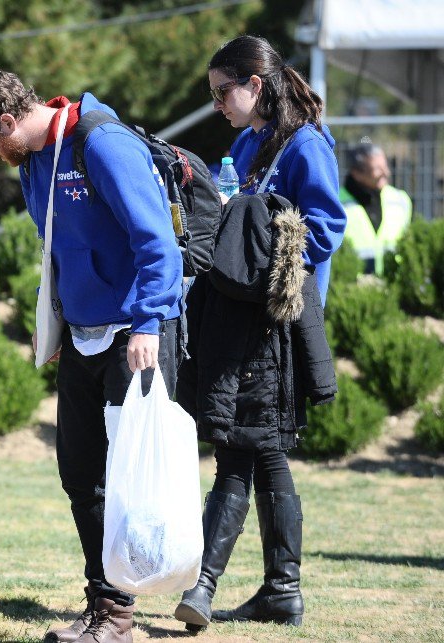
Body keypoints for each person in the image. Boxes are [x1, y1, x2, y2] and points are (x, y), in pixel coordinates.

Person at [0, 67, 183, 643]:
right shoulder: (33, 161)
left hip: (135, 332)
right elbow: (57, 247)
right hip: (80, 333)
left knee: (128, 481)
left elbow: (157, 242)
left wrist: (148, 323)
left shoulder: (102, 142)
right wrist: (48, 318)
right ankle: (104, 604)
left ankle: (119, 615)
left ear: (6, 121)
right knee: (80, 473)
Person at [173, 35, 345, 632]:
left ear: (256, 83)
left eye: (224, 91)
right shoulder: (247, 141)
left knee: (241, 453)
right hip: (233, 322)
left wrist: (266, 254)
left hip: (275, 325)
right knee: (262, 451)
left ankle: (205, 585)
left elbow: (324, 230)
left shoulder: (305, 144)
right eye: (214, 94)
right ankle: (281, 592)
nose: (218, 104)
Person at [340, 140, 413, 275]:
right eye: (377, 169)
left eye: (385, 166)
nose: (386, 173)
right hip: (351, 287)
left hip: (393, 283)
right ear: (357, 174)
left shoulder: (400, 199)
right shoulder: (337, 203)